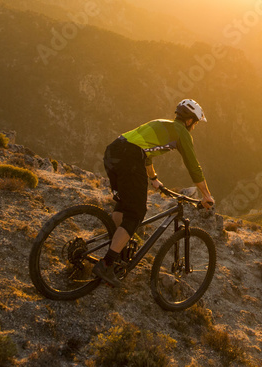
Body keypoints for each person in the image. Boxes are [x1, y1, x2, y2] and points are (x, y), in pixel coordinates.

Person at [92, 98, 215, 287]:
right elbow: (193, 167)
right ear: (190, 121)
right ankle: (107, 263)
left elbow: (144, 152)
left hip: (113, 152)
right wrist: (206, 195)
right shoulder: (182, 133)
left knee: (124, 205)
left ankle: (117, 248)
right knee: (136, 212)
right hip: (129, 158)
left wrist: (153, 178)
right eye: (196, 123)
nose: (194, 127)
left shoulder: (161, 123)